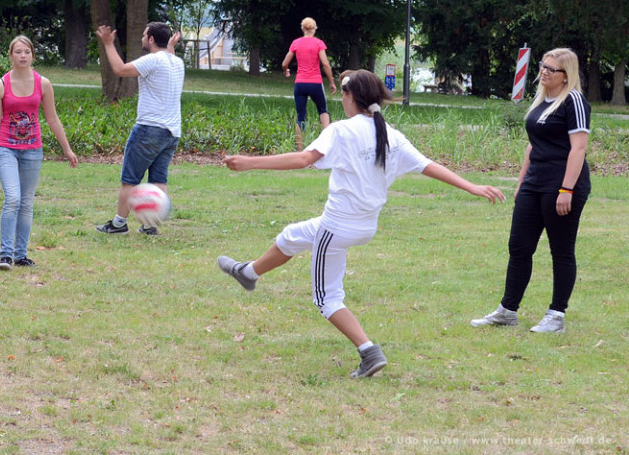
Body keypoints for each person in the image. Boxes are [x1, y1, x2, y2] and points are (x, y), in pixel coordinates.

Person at [217, 69, 504, 378]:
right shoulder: (391, 134)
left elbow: (303, 159)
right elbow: (428, 166)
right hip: (364, 226)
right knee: (292, 235)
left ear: (350, 97)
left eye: (343, 94)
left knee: (326, 298)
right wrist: (472, 186)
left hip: (338, 227)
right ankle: (248, 272)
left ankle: (369, 352)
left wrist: (249, 163)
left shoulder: (342, 130)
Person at [471, 48, 590, 334]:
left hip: (561, 185)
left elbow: (579, 148)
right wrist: (522, 182)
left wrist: (566, 189)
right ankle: (507, 310)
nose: (544, 72)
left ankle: (556, 315)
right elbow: (532, 144)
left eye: (551, 69)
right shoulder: (541, 101)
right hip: (534, 184)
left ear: (566, 76)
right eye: (543, 66)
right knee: (519, 247)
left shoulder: (573, 100)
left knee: (561, 250)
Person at [0, 35, 79, 270]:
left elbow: (52, 118)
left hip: (33, 149)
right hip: (6, 147)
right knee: (13, 198)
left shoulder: (43, 83)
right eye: (18, 52)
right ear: (10, 56)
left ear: (32, 55)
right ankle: (5, 255)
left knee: (26, 202)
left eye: (27, 52)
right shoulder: (0, 86)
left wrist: (67, 149)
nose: (23, 56)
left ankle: (21, 255)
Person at [95, 22, 184, 236]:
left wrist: (108, 44)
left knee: (130, 178)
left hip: (149, 129)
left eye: (145, 35)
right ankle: (150, 225)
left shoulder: (152, 60)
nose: (142, 38)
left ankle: (118, 224)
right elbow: (168, 55)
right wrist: (171, 45)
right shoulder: (176, 62)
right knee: (158, 180)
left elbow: (119, 69)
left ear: (152, 39)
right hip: (172, 133)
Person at [281, 17, 337, 147]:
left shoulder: (296, 43)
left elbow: (285, 63)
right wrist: (332, 82)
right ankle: (326, 147)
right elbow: (325, 64)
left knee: (301, 116)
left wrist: (286, 71)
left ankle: (300, 150)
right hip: (315, 83)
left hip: (300, 84)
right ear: (315, 28)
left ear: (302, 28)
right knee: (323, 111)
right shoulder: (319, 43)